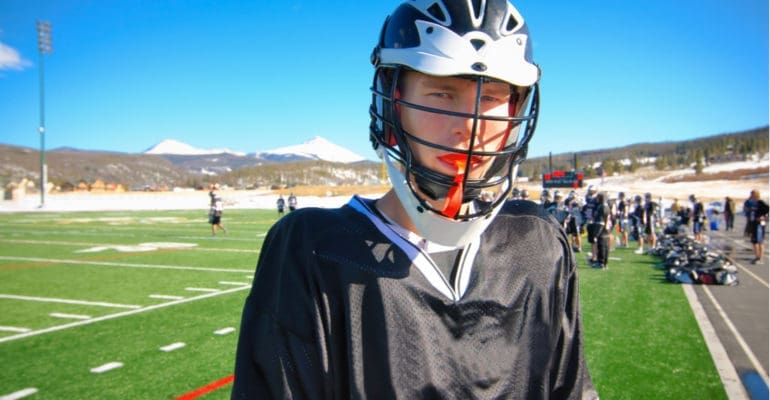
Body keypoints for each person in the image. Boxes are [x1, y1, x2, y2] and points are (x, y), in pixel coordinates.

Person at [231, 1, 597, 398]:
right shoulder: (313, 251)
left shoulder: (537, 243)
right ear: (393, 101)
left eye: (491, 97)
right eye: (442, 93)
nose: (470, 126)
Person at [744, 189, 769, 264]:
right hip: (753, 224)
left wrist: (764, 217)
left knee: (760, 241)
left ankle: (760, 258)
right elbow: (746, 207)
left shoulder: (761, 202)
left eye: (752, 194)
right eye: (751, 194)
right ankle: (757, 256)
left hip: (760, 225)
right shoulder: (752, 203)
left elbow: (767, 210)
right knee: (754, 241)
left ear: (756, 195)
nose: (751, 196)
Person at [593, 191, 611, 269]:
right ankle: (605, 263)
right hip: (606, 228)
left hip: (602, 229)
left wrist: (596, 233)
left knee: (602, 246)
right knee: (605, 246)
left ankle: (601, 263)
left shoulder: (602, 207)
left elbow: (601, 221)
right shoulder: (606, 206)